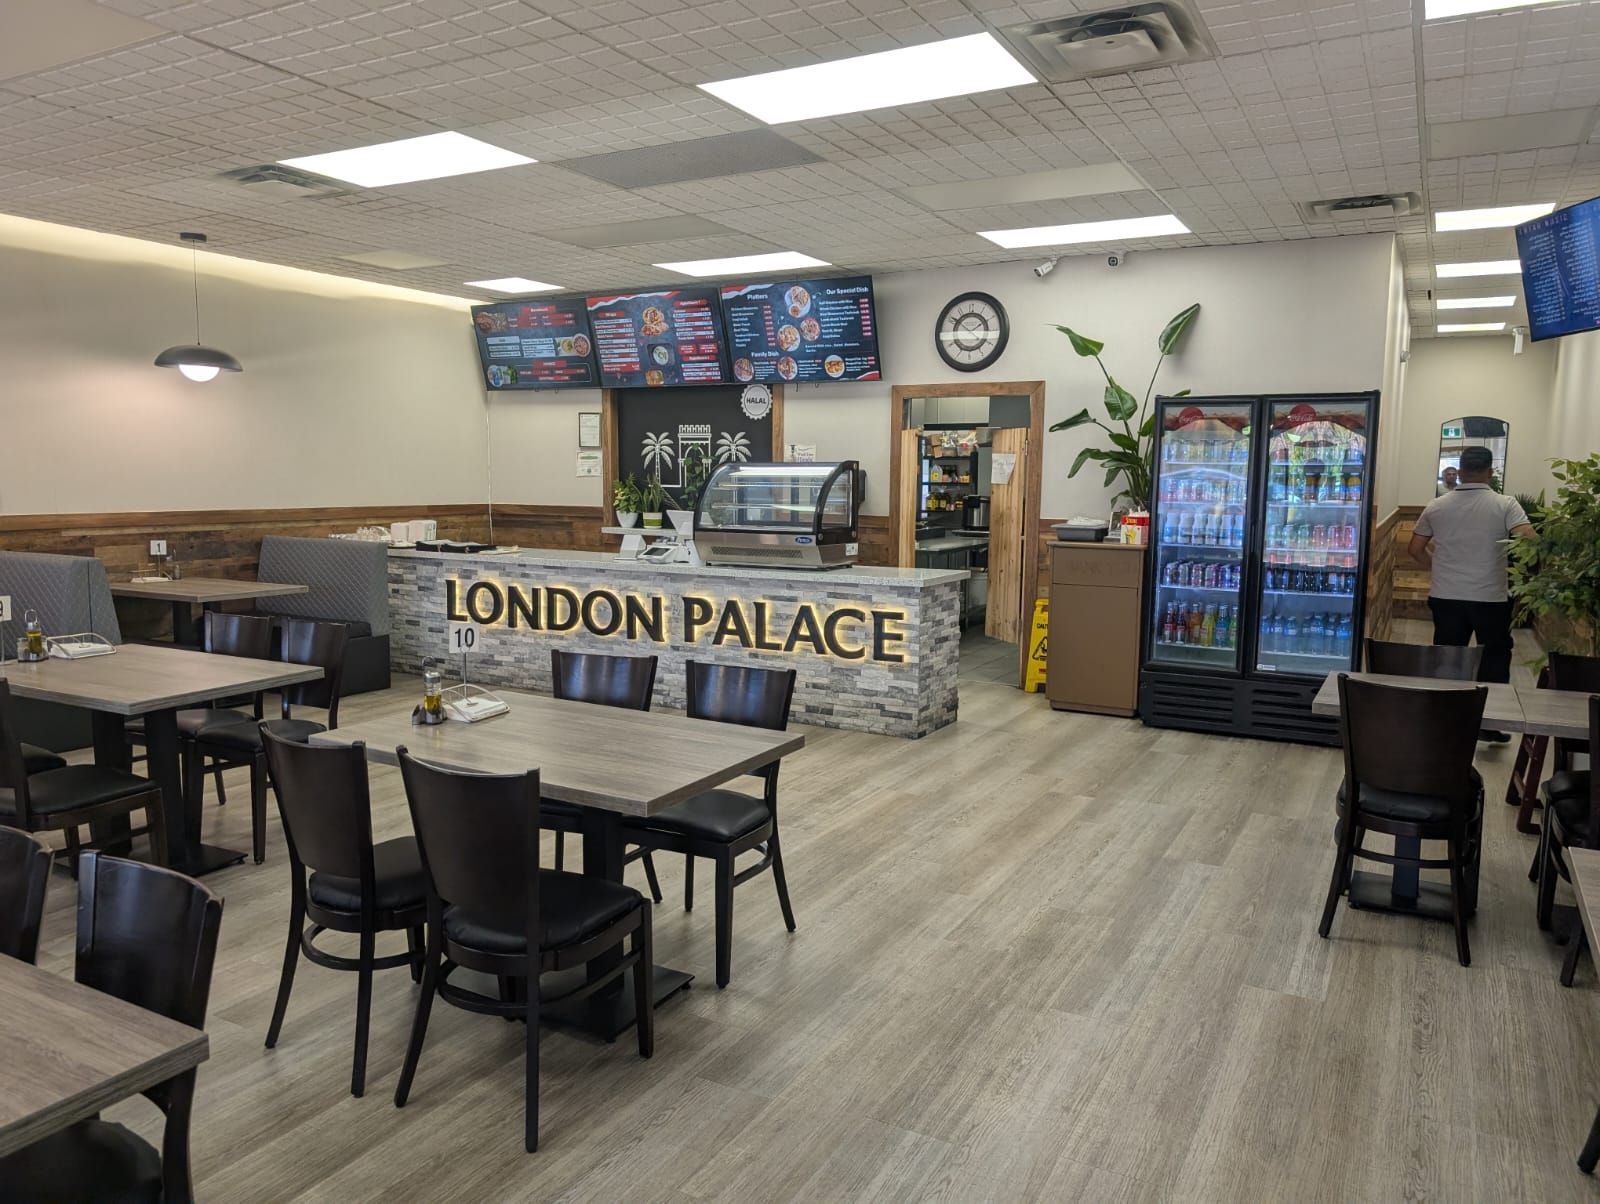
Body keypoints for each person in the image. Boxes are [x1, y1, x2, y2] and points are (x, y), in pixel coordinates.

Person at [1408, 445, 1535, 742]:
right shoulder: (1506, 504)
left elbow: (1414, 549)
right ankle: (1488, 724)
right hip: (1490, 596)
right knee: (1494, 658)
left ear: (1460, 471)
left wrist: (1439, 565)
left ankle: (1445, 722)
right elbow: (1529, 542)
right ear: (1490, 472)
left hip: (1446, 594)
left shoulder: (1436, 505)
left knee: (1449, 657)